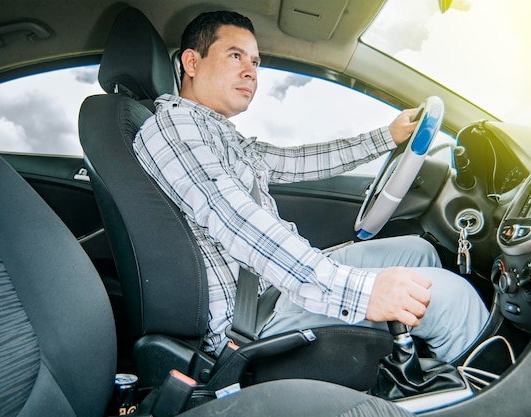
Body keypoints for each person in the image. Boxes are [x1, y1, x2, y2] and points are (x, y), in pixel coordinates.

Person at [133, 10, 488, 363]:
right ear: (192, 62)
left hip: (269, 285)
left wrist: (386, 137)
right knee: (454, 297)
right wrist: (361, 293)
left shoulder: (217, 133)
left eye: (255, 62)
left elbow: (297, 161)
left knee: (417, 251)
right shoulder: (175, 128)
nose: (251, 72)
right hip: (252, 317)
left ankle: (427, 379)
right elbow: (237, 221)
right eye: (235, 56)